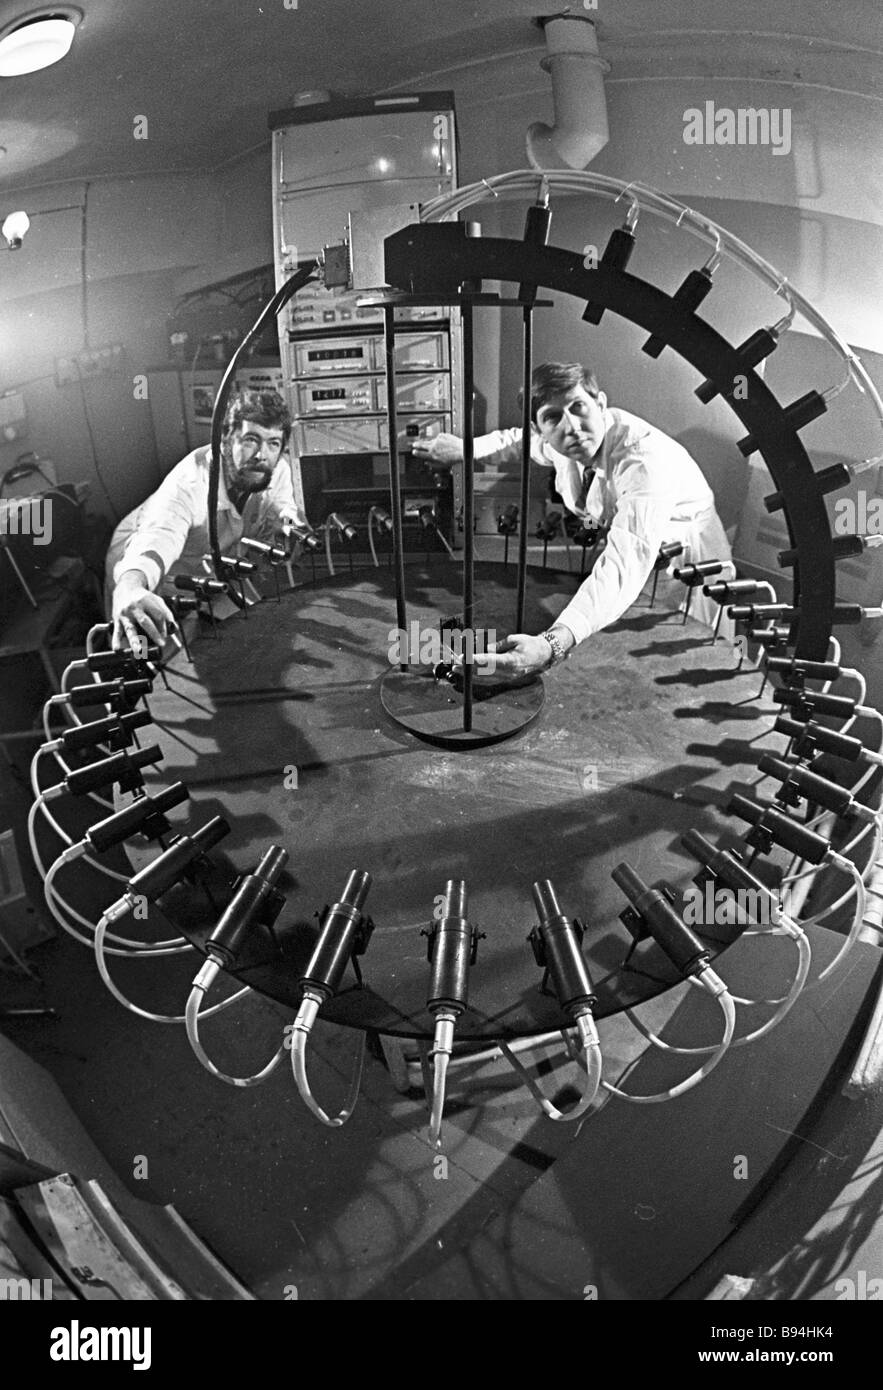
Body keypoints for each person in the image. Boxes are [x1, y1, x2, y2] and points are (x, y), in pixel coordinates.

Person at [448, 362, 734, 677]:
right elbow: (517, 442)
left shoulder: (643, 461)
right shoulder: (557, 444)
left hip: (686, 566)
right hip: (632, 561)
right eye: (552, 417)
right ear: (539, 429)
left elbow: (624, 564)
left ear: (600, 404)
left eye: (578, 407)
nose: (571, 426)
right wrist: (464, 449)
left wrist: (552, 644)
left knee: (678, 664)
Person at [105, 388, 310, 650]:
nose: (261, 455)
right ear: (225, 439)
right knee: (157, 666)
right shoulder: (189, 484)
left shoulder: (273, 469)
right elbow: (155, 540)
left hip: (212, 572)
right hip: (147, 577)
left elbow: (282, 510)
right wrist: (130, 587)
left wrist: (290, 529)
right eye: (250, 440)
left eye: (273, 443)